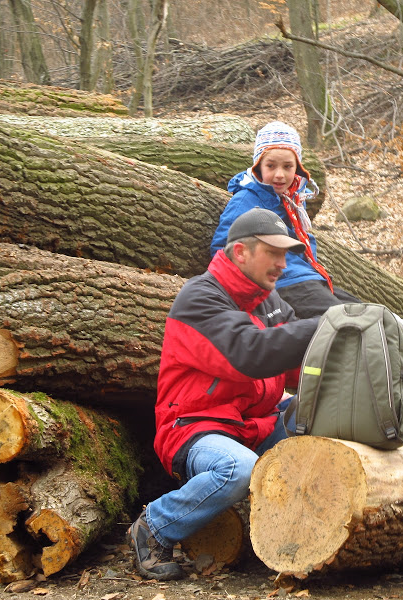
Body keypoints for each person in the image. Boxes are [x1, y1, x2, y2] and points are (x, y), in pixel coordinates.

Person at [129, 208, 321, 580]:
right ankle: (154, 525)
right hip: (195, 429)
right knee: (237, 469)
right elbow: (249, 354)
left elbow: (300, 367)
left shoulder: (272, 302)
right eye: (274, 253)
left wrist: (342, 342)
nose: (283, 263)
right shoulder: (200, 298)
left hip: (254, 425)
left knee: (321, 411)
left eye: (286, 254)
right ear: (240, 253)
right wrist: (323, 323)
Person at [210, 121, 360, 318]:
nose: (279, 175)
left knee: (369, 312)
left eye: (287, 166)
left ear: (297, 167)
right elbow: (222, 248)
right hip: (283, 284)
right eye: (271, 166)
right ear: (258, 167)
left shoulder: (295, 198)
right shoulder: (246, 200)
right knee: (344, 321)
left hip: (308, 276)